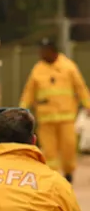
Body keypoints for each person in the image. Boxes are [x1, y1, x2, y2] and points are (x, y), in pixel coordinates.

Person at [20, 37, 90, 182]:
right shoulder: (38, 70)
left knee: (69, 148)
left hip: (66, 118)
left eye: (44, 50)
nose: (41, 53)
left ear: (53, 51)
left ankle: (69, 171)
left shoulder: (68, 67)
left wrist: (88, 105)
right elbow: (29, 92)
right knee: (49, 151)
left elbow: (81, 88)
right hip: (46, 118)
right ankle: (53, 176)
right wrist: (22, 109)